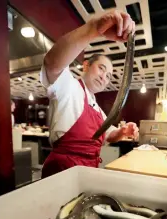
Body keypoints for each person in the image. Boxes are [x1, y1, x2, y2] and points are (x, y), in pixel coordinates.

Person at [40, 10, 139, 178]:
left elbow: (108, 134)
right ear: (85, 66)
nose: (104, 77)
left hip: (88, 172)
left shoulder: (97, 109)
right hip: (63, 171)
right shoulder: (69, 87)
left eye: (108, 76)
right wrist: (93, 28)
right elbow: (52, 64)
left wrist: (122, 132)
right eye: (101, 68)